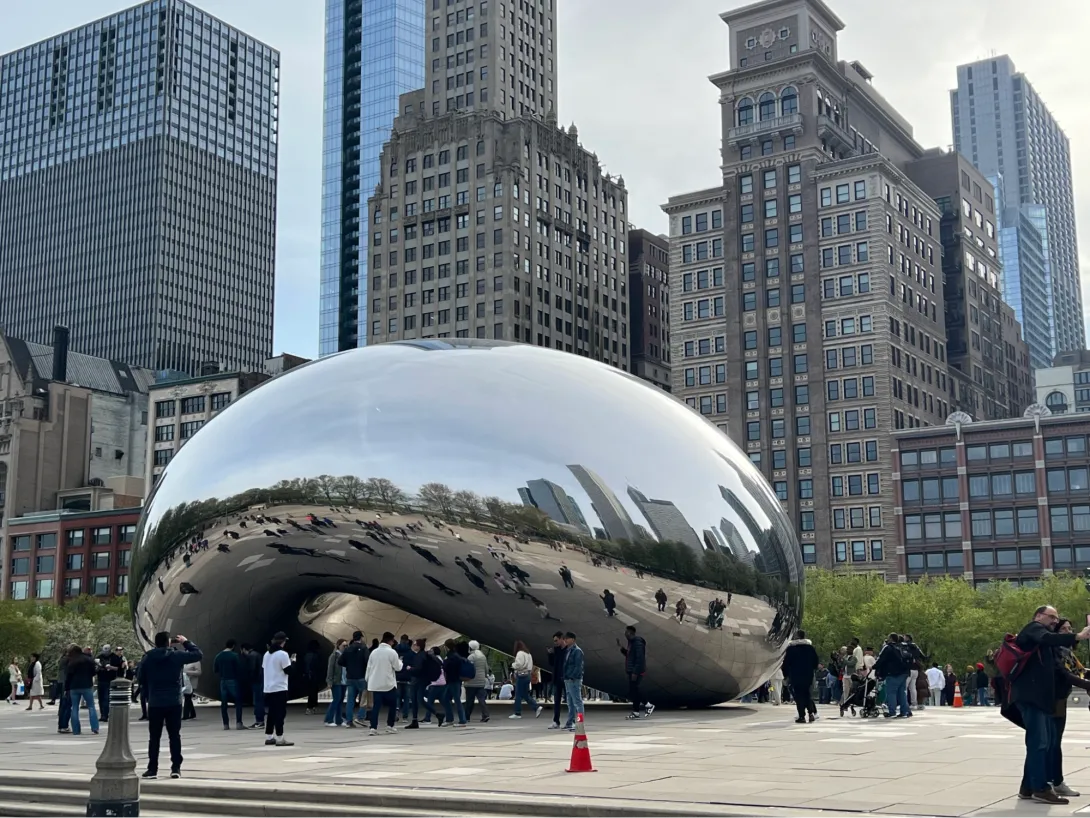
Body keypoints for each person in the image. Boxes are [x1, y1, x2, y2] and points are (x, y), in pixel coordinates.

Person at [1006, 605, 1090, 804]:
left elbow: (1061, 670)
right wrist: (1078, 636)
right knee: (1040, 743)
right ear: (1038, 616)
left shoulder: (1046, 644)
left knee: (1040, 742)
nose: (1054, 621)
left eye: (1056, 618)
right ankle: (1040, 788)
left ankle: (1027, 788)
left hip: (1041, 698)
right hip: (1031, 697)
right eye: (1051, 617)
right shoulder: (1033, 629)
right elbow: (1047, 638)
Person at [138, 632, 203, 779]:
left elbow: (140, 677)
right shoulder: (176, 656)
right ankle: (175, 768)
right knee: (174, 736)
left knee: (154, 737)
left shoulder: (148, 657)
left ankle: (152, 769)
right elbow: (197, 654)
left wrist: (150, 688)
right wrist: (186, 642)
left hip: (155, 701)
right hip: (174, 700)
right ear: (169, 642)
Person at [365, 632, 403, 736]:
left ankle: (373, 728)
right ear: (390, 641)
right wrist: (400, 661)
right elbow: (398, 667)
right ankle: (390, 726)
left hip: (375, 684)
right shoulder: (392, 652)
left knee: (376, 707)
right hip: (388, 683)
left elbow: (369, 667)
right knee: (392, 705)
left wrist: (368, 680)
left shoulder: (374, 652)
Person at [262, 632, 294, 747]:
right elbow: (288, 671)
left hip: (268, 688)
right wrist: (293, 662)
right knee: (280, 713)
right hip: (279, 687)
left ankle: (269, 736)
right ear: (283, 642)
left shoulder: (267, 654)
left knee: (271, 713)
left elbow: (265, 668)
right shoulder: (283, 654)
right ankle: (280, 737)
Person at [781, 629, 819, 724]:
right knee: (807, 694)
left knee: (799, 696)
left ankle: (802, 716)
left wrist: (785, 675)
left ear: (797, 636)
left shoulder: (791, 649)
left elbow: (786, 663)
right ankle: (810, 713)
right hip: (808, 675)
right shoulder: (810, 648)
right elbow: (815, 662)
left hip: (795, 675)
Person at [873, 633, 910, 718]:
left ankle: (892, 711)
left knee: (891, 693)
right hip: (904, 672)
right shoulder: (902, 646)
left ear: (890, 638)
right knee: (902, 693)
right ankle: (904, 711)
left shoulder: (888, 647)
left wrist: (874, 667)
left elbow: (881, 659)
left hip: (893, 673)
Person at [65, 645, 99, 736]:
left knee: (75, 708)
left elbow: (68, 676)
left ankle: (76, 730)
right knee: (91, 706)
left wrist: (66, 688)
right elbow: (94, 672)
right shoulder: (88, 659)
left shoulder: (72, 661)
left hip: (74, 686)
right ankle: (95, 727)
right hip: (87, 685)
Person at [619, 625, 652, 719]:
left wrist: (635, 672)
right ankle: (636, 712)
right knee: (633, 691)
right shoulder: (632, 642)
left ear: (630, 633)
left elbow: (640, 658)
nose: (625, 634)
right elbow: (630, 656)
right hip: (632, 670)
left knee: (634, 691)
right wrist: (622, 649)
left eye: (626, 633)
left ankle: (648, 705)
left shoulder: (637, 643)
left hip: (636, 671)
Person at [213, 639, 247, 730]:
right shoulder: (234, 656)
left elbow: (215, 670)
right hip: (233, 680)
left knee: (224, 703)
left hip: (223, 681)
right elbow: (239, 668)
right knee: (238, 701)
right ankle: (239, 723)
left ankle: (226, 724)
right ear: (233, 646)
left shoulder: (218, 656)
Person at [339, 630, 369, 728]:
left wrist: (348, 665)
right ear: (361, 637)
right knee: (364, 698)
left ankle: (349, 721)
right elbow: (367, 661)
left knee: (350, 700)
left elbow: (340, 661)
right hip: (361, 677)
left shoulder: (348, 649)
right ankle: (360, 717)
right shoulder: (364, 648)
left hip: (350, 677)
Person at [508, 641, 542, 718]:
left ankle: (517, 713)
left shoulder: (519, 653)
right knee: (525, 694)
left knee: (518, 695)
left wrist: (513, 665)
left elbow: (519, 664)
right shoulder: (528, 654)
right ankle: (536, 707)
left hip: (521, 675)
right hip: (528, 674)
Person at [561, 632, 584, 730]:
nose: (565, 640)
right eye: (565, 638)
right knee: (570, 702)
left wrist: (572, 676)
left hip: (573, 679)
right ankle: (570, 722)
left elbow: (578, 666)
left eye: (567, 638)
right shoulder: (568, 650)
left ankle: (580, 723)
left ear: (573, 639)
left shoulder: (577, 651)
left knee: (577, 702)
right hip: (568, 679)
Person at [464, 640, 490, 723]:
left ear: (470, 647)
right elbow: (486, 669)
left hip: (471, 682)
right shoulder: (482, 656)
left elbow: (468, 669)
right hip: (481, 681)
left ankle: (467, 717)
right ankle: (485, 715)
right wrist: (484, 676)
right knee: (482, 699)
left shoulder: (471, 657)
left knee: (470, 701)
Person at [546, 632, 568, 729]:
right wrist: (550, 654)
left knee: (570, 701)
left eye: (556, 640)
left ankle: (571, 721)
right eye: (554, 641)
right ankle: (556, 721)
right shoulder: (556, 650)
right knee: (557, 701)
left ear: (562, 639)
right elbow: (552, 664)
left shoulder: (568, 650)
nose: (555, 643)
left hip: (566, 678)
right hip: (557, 678)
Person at [325, 639, 348, 727]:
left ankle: (339, 719)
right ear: (338, 646)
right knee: (336, 700)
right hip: (336, 681)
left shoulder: (345, 656)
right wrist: (329, 681)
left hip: (344, 681)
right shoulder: (334, 656)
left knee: (340, 701)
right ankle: (328, 719)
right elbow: (330, 669)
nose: (345, 647)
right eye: (343, 645)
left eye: (346, 646)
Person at [241, 643, 264, 728]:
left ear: (244, 649)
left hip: (256, 682)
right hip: (260, 681)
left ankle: (259, 721)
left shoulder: (251, 656)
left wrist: (249, 680)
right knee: (259, 700)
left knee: (257, 701)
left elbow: (252, 669)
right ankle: (260, 720)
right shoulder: (258, 655)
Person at [181, 649, 201, 720]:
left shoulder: (196, 661)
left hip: (192, 682)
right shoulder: (185, 661)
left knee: (187, 698)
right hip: (186, 682)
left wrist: (188, 673)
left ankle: (186, 715)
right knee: (188, 698)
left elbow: (199, 672)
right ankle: (193, 713)